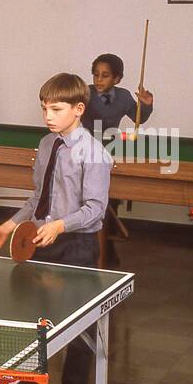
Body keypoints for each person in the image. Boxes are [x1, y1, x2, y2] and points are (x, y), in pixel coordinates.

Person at [0, 73, 111, 384]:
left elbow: (95, 210)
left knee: (76, 327)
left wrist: (60, 226)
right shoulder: (45, 145)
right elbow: (36, 200)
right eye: (44, 109)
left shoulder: (94, 153)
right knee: (32, 318)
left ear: (79, 109)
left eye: (56, 109)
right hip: (39, 240)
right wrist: (9, 225)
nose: (48, 116)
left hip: (76, 246)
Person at [83, 53, 155, 267]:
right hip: (84, 149)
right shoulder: (85, 93)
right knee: (88, 198)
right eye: (96, 75)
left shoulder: (123, 96)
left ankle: (107, 247)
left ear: (117, 79)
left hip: (110, 150)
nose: (98, 80)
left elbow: (138, 118)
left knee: (109, 198)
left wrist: (146, 105)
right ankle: (88, 248)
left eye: (105, 76)